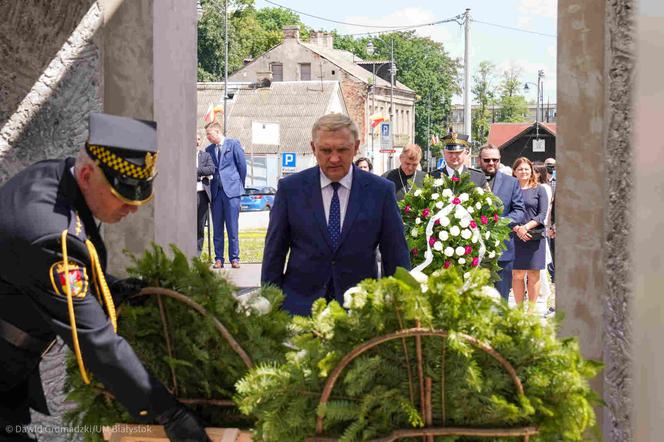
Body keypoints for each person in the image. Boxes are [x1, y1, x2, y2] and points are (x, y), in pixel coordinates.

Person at [0, 113, 210, 441]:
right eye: (124, 196)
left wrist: (107, 285)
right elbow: (97, 344)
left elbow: (32, 270)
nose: (133, 208)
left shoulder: (54, 178)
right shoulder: (50, 235)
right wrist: (168, 412)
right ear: (87, 174)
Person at [261, 114, 411, 315]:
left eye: (342, 149)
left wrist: (398, 310)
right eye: (325, 150)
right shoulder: (290, 189)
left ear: (356, 147)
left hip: (361, 313)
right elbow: (274, 254)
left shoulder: (380, 191)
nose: (334, 158)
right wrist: (270, 307)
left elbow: (396, 256)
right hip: (299, 311)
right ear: (313, 148)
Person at [478, 145, 525, 301]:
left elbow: (519, 211)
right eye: (487, 160)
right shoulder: (470, 179)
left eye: (495, 160)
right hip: (474, 249)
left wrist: (500, 222)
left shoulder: (511, 183)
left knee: (501, 298)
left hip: (502, 249)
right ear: (479, 161)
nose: (491, 163)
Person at [205, 121, 247, 269]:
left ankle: (234, 258)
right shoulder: (208, 149)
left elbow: (242, 166)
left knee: (232, 227)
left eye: (209, 134)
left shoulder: (233, 144)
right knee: (217, 228)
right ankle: (219, 259)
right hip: (216, 193)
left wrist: (238, 185)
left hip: (232, 192)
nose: (207, 137)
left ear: (217, 132)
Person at [511, 157, 549, 307]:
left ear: (531, 171)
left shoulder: (539, 189)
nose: (524, 172)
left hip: (534, 237)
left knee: (534, 274)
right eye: (520, 169)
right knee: (518, 274)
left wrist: (525, 227)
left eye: (526, 169)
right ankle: (519, 311)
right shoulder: (510, 189)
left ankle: (531, 312)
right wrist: (517, 228)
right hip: (515, 236)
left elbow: (542, 214)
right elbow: (505, 212)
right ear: (514, 172)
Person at [534, 162, 554, 315]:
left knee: (543, 263)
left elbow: (546, 210)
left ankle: (545, 291)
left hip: (542, 228)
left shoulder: (544, 188)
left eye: (534, 171)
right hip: (540, 227)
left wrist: (547, 226)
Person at [197, 134, 215, 255]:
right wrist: (202, 174)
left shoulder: (205, 155)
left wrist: (195, 171)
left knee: (200, 226)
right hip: (186, 195)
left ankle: (196, 254)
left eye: (198, 139)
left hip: (202, 195)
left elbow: (211, 170)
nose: (197, 141)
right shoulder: (183, 155)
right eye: (194, 138)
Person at [544, 157, 556, 282]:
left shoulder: (557, 181)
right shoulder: (541, 181)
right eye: (548, 165)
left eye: (553, 165)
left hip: (553, 221)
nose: (551, 167)